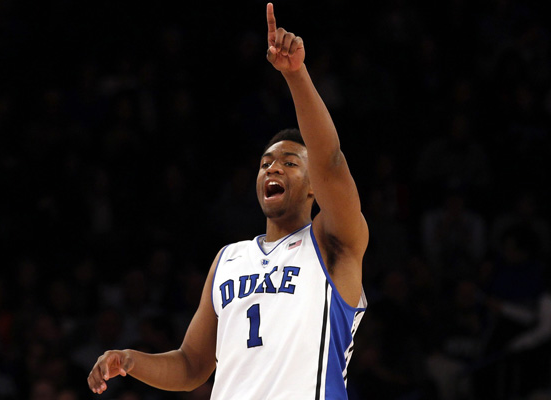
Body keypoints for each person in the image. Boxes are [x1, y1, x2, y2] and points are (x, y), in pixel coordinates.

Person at [87, 3, 369, 399]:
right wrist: (131, 359)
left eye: (290, 162)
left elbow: (332, 162)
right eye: (265, 163)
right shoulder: (229, 260)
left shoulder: (332, 243)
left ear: (313, 187)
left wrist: (296, 75)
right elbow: (190, 365)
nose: (273, 169)